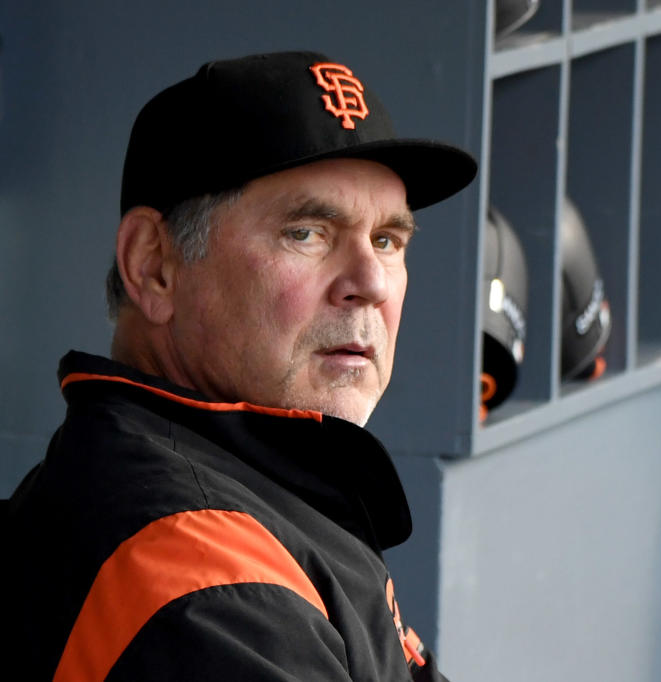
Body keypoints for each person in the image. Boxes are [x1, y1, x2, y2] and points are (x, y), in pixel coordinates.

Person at [3, 50, 476, 681]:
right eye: (307, 232)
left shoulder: (259, 481)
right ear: (153, 266)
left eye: (387, 241)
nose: (370, 283)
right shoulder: (206, 583)